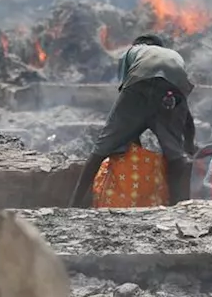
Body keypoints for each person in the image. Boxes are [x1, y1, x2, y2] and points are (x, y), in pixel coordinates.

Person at [70, 34, 196, 207]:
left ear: (139, 44)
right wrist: (188, 145)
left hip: (138, 86)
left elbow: (126, 92)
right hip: (172, 91)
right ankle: (177, 203)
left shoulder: (132, 52)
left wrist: (126, 139)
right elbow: (186, 113)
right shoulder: (173, 56)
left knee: (101, 148)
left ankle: (74, 204)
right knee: (175, 155)